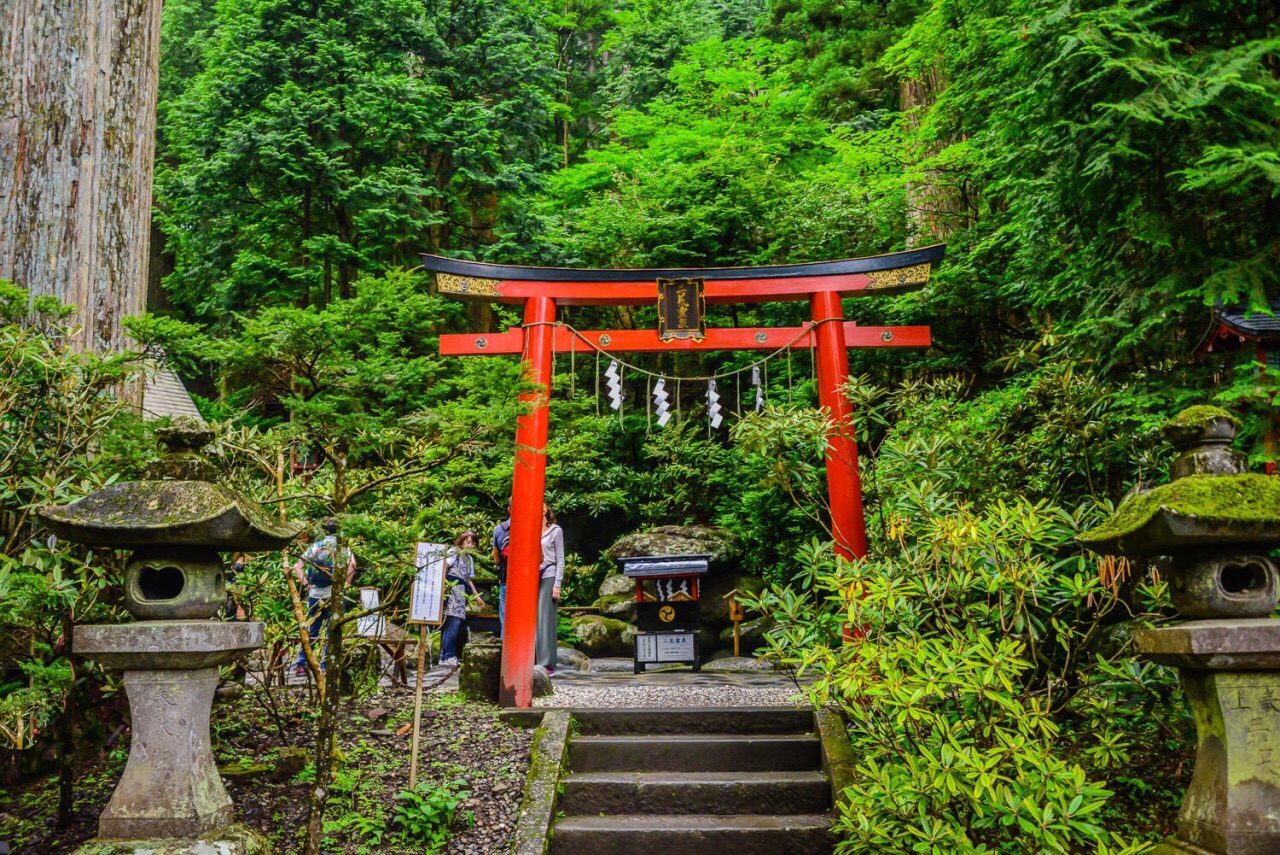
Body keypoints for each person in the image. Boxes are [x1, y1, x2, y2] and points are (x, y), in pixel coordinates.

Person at [293, 519, 356, 676]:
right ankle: (325, 664)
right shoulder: (342, 547)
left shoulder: (316, 546)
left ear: (325, 531)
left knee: (312, 629)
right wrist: (345, 585)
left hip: (315, 593)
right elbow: (352, 565)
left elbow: (297, 566)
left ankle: (302, 663)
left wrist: (307, 584)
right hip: (334, 594)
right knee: (332, 630)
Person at [440, 530, 485, 666]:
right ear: (462, 541)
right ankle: (447, 655)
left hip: (461, 591)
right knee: (453, 622)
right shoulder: (454, 552)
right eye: (468, 542)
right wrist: (443, 588)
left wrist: (476, 596)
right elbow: (444, 567)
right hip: (452, 588)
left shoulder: (469, 559)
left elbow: (468, 579)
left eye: (473, 543)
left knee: (455, 622)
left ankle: (446, 655)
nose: (470, 546)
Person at [536, 503, 564, 672]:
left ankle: (547, 662)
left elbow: (560, 558)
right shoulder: (531, 530)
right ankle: (535, 658)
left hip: (549, 574)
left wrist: (557, 584)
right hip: (533, 577)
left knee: (545, 618)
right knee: (535, 618)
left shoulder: (555, 530)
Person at [491, 506, 511, 637]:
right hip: (527, 582)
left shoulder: (499, 529)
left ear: (509, 509)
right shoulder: (531, 528)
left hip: (506, 578)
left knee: (505, 616)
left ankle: (505, 646)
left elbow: (497, 559)